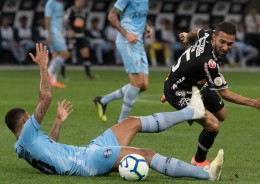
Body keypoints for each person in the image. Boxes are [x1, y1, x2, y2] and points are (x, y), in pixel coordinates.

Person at [5, 43, 223, 181]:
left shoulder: (22, 146)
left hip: (87, 151)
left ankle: (191, 112)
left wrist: (58, 122)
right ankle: (204, 174)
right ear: (25, 120)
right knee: (145, 154)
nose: (35, 119)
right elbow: (46, 98)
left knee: (131, 122)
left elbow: (49, 144)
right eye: (31, 117)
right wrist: (43, 66)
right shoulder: (27, 134)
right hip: (86, 163)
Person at [161, 21, 260, 167]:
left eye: (230, 44)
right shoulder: (209, 62)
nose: (225, 48)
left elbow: (196, 31)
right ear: (215, 37)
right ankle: (198, 161)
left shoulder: (209, 35)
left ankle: (175, 93)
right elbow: (225, 93)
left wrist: (187, 37)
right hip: (180, 90)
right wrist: (254, 103)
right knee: (213, 125)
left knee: (222, 114)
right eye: (222, 42)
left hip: (197, 83)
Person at [94, 0, 153, 123]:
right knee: (136, 83)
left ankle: (103, 100)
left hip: (139, 43)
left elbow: (138, 16)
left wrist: (146, 26)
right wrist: (126, 34)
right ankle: (121, 122)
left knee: (144, 85)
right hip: (127, 42)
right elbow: (111, 16)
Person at [62, 0, 94, 80]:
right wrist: (70, 30)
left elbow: (83, 24)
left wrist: (83, 32)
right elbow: (65, 21)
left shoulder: (84, 12)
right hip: (71, 36)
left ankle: (88, 75)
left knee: (86, 53)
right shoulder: (71, 10)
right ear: (75, 2)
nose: (80, 3)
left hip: (81, 35)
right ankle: (62, 75)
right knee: (67, 54)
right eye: (79, 1)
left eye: (82, 2)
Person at [45, 0, 70, 88]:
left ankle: (53, 81)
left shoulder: (61, 4)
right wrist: (49, 33)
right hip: (53, 33)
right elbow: (47, 18)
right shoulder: (51, 2)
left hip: (59, 32)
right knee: (65, 54)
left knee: (55, 55)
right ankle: (48, 74)